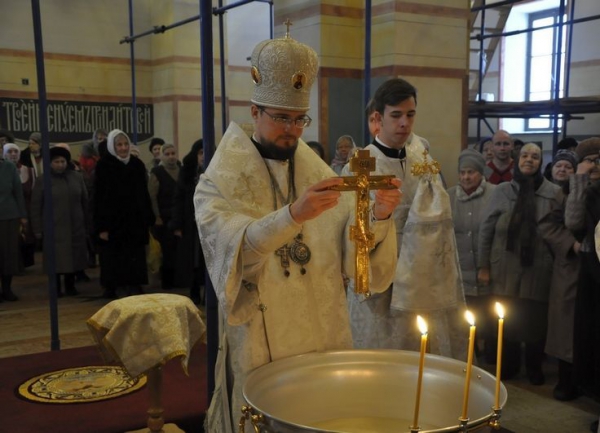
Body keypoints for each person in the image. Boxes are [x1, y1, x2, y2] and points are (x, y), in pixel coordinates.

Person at [194, 32, 401, 432]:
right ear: (254, 112)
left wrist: (378, 217)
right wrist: (292, 216)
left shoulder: (318, 174)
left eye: (298, 120)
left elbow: (352, 256)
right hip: (261, 337)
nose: (292, 130)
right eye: (280, 118)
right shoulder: (218, 182)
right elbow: (231, 251)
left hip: (322, 330)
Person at [345, 77, 467, 360]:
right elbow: (351, 235)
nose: (404, 123)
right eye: (396, 115)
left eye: (410, 115)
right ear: (378, 117)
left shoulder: (422, 159)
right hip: (382, 288)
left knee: (423, 365)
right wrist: (380, 215)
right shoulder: (361, 164)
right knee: (383, 367)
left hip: (423, 283)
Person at [478, 143, 563, 385]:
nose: (529, 160)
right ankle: (509, 366)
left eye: (535, 156)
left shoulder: (553, 193)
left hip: (539, 267)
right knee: (507, 319)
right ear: (517, 159)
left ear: (540, 161)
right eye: (525, 155)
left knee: (535, 320)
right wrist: (484, 265)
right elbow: (486, 229)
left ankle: (534, 368)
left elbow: (559, 230)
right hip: (504, 267)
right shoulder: (503, 190)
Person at [539, 148, 581, 401]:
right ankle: (567, 380)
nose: (563, 170)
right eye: (559, 166)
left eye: (569, 166)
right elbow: (548, 225)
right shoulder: (557, 195)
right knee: (566, 326)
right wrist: (571, 244)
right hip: (569, 264)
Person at [447, 149, 496, 362]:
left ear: (481, 173)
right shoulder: (448, 197)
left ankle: (492, 355)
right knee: (466, 318)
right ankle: (470, 354)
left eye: (471, 172)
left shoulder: (495, 194)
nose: (466, 177)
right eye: (463, 172)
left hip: (487, 269)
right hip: (459, 271)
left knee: (489, 317)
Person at [93, 129, 155, 299]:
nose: (123, 148)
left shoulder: (137, 165)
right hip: (113, 222)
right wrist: (102, 227)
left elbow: (143, 193)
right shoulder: (104, 165)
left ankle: (135, 284)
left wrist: (148, 217)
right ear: (112, 146)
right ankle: (113, 286)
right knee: (113, 256)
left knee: (135, 254)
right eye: (119, 144)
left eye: (126, 144)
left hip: (135, 221)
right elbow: (99, 197)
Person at [564, 138, 600, 408]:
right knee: (590, 334)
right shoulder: (585, 189)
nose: (595, 164)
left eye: (599, 158)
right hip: (591, 270)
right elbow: (573, 222)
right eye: (590, 159)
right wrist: (579, 180)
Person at [31, 146, 88, 297]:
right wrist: (37, 229)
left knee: (74, 257)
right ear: (50, 163)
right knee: (54, 259)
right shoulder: (42, 180)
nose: (60, 164)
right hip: (53, 227)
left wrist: (87, 222)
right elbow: (36, 205)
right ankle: (55, 288)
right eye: (56, 161)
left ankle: (70, 286)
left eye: (63, 161)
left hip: (75, 224)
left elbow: (85, 201)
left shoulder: (77, 177)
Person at [170, 139, 206, 304]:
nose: (203, 156)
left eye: (206, 152)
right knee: (193, 260)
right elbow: (178, 200)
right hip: (191, 224)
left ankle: (208, 291)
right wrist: (177, 224)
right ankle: (194, 290)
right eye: (200, 152)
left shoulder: (218, 172)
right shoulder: (187, 173)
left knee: (208, 260)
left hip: (210, 225)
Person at [148, 143, 180, 291]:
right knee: (166, 251)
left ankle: (178, 279)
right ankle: (166, 281)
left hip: (178, 217)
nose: (171, 157)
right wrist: (157, 216)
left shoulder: (182, 170)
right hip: (164, 218)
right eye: (167, 154)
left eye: (173, 153)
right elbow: (152, 197)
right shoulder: (157, 172)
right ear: (161, 156)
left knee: (178, 250)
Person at [3, 143, 36, 268]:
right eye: (9, 151)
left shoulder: (29, 171)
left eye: (15, 151)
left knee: (26, 239)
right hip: (7, 212)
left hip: (26, 210)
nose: (13, 154)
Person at [0, 154, 26, 301]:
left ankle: (7, 288)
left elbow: (18, 192)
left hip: (9, 216)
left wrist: (23, 215)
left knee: (8, 254)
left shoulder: (9, 167)